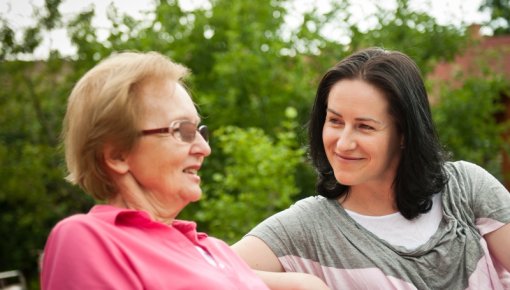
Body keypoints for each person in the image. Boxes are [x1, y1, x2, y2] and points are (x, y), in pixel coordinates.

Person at [232, 47, 510, 289]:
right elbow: (203, 271)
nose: (343, 143)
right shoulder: (306, 228)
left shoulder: (466, 188)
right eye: (335, 121)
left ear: (403, 134)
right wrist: (299, 284)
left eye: (364, 126)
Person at [40, 51, 270, 290]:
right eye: (182, 130)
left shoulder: (217, 250)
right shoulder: (89, 238)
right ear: (117, 155)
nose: (205, 148)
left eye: (200, 131)